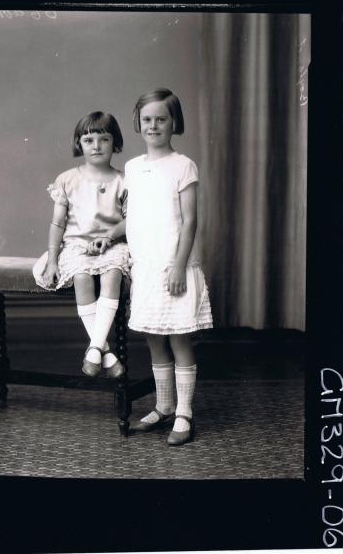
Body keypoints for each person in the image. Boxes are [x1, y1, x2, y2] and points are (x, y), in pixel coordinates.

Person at [125, 88, 213, 446]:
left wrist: (179, 266)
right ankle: (163, 405)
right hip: (145, 267)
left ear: (174, 122)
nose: (154, 125)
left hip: (173, 265)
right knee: (153, 338)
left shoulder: (183, 165)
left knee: (178, 338)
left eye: (161, 119)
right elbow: (132, 216)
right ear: (139, 123)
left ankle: (184, 413)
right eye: (147, 119)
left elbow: (189, 222)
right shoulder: (132, 167)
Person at [33, 111, 130, 379]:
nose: (96, 146)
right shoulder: (68, 179)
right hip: (76, 246)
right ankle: (105, 352)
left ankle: (95, 348)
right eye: (88, 140)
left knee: (113, 274)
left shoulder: (124, 180)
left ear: (115, 143)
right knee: (81, 276)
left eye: (104, 139)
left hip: (113, 244)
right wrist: (53, 260)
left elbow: (130, 221)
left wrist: (110, 236)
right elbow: (58, 224)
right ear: (79, 144)